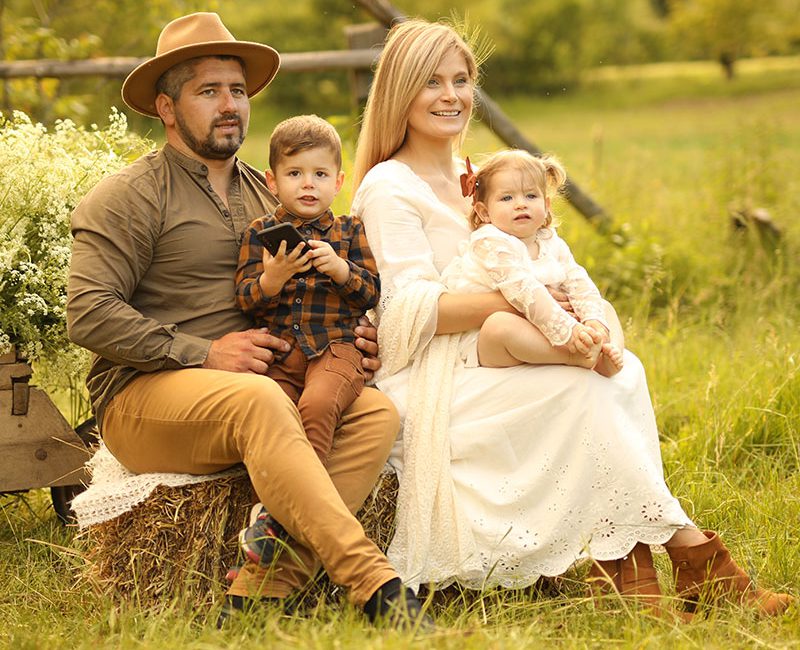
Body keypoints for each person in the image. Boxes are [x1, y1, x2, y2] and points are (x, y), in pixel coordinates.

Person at [350, 18, 792, 616]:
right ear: (401, 90)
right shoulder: (389, 185)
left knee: (620, 370)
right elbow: (406, 311)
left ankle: (632, 571)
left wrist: (576, 311)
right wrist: (518, 301)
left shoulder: (478, 175)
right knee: (580, 391)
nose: (451, 96)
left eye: (462, 80)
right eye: (432, 82)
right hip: (437, 367)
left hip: (510, 343)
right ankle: (697, 560)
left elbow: (547, 259)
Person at [66, 12, 430, 629]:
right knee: (257, 400)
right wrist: (201, 353)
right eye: (208, 91)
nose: (229, 104)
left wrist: (354, 334)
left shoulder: (272, 193)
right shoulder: (128, 196)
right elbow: (88, 312)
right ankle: (375, 585)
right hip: (147, 395)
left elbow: (326, 281)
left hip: (274, 376)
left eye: (237, 90)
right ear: (167, 107)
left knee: (376, 414)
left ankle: (261, 590)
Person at [234, 114, 380, 567]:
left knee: (317, 407)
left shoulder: (350, 232)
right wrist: (273, 279)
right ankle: (284, 518)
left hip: (336, 349)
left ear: (338, 180)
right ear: (272, 181)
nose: (308, 184)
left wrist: (340, 269)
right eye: (295, 174)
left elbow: (372, 291)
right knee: (272, 419)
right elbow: (245, 298)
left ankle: (278, 520)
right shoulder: (259, 234)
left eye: (319, 174)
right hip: (281, 353)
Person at [440, 149, 624, 376]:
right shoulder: (489, 242)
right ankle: (569, 355)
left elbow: (577, 280)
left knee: (603, 308)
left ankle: (604, 350)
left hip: (545, 322)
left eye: (530, 196)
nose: (520, 204)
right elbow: (524, 290)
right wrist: (569, 331)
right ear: (484, 212)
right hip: (486, 338)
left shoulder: (549, 240)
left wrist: (593, 323)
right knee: (500, 326)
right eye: (507, 198)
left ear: (546, 205)